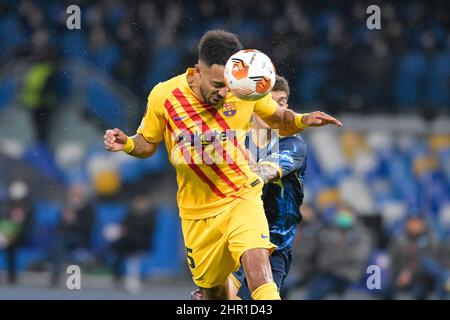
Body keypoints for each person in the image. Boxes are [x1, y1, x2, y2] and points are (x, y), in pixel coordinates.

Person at [104, 29, 342, 300]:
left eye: (228, 83)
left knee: (259, 272)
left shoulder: (245, 90)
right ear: (196, 73)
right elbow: (147, 142)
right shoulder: (164, 96)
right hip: (197, 213)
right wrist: (127, 144)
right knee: (214, 296)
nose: (224, 92)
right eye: (217, 84)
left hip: (240, 195)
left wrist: (302, 120)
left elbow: (279, 120)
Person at [227, 75, 308, 299]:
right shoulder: (236, 140)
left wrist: (244, 165)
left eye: (281, 104)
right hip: (236, 242)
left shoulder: (293, 143)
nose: (275, 111)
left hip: (274, 246)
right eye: (269, 104)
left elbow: (267, 171)